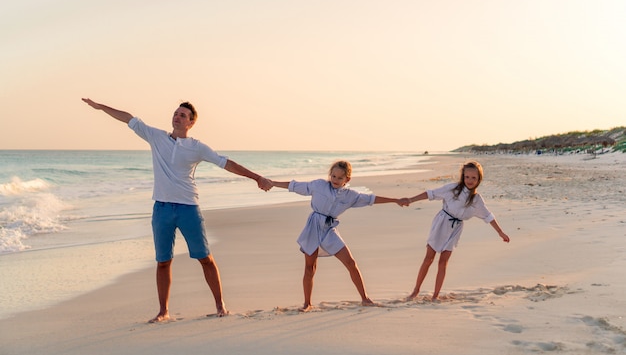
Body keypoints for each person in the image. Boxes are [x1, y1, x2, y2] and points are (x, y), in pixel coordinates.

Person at [82, 98, 272, 322]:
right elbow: (129, 118)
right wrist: (101, 107)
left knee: (205, 258)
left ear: (191, 123)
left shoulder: (197, 147)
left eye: (183, 115)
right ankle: (163, 311)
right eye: (176, 113)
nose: (177, 116)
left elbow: (226, 163)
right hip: (161, 208)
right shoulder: (156, 137)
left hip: (188, 208)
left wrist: (256, 177)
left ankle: (221, 306)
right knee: (163, 261)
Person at [270, 160, 409, 312]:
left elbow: (371, 199)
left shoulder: (351, 196)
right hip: (313, 227)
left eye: (339, 178)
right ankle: (307, 304)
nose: (335, 180)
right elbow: (295, 185)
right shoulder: (319, 185)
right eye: (333, 176)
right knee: (310, 267)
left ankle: (365, 299)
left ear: (347, 179)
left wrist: (396, 200)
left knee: (351, 263)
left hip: (329, 230)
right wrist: (272, 183)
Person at [406, 161, 510, 301]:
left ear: (479, 179)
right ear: (463, 176)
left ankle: (435, 295)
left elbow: (488, 216)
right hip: (442, 223)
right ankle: (415, 291)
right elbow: (430, 194)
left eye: (474, 178)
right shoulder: (453, 189)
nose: (470, 180)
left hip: (456, 229)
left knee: (443, 262)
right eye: (467, 177)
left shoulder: (477, 200)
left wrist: (500, 232)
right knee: (428, 259)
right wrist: (411, 199)